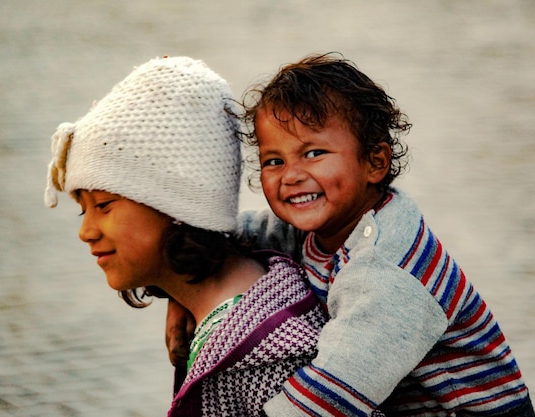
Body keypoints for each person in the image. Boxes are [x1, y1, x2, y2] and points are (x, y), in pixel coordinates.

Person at [167, 53, 535, 416]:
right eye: (274, 161)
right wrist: (180, 289)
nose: (291, 175)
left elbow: (326, 400)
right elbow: (233, 237)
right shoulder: (325, 226)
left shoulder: (386, 275)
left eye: (313, 153)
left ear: (375, 162)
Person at [43, 56, 338, 417]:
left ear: (177, 205)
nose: (85, 232)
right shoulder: (244, 295)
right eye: (82, 208)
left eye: (104, 205)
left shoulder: (262, 355)